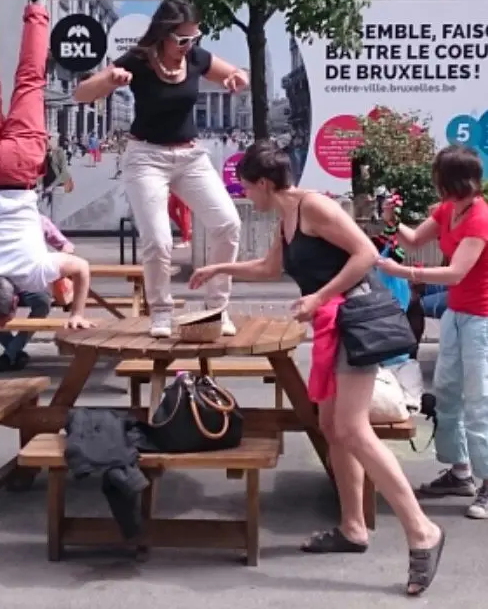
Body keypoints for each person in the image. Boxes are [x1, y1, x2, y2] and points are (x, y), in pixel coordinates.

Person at [189, 141, 444, 597]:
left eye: (246, 187)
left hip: (356, 318)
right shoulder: (286, 218)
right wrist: (218, 268)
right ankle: (352, 527)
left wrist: (320, 296)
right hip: (332, 324)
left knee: (352, 429)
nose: (245, 195)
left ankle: (423, 530)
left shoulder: (314, 207)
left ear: (264, 183)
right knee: (330, 425)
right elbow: (270, 268)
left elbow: (364, 253)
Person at [74, 0, 245, 338]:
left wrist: (237, 78)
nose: (188, 45)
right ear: (164, 35)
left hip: (190, 157)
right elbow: (81, 94)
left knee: (228, 224)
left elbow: (237, 73)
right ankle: (161, 312)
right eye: (182, 39)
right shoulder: (139, 59)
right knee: (158, 241)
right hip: (146, 158)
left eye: (194, 38)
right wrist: (109, 79)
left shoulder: (196, 57)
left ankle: (217, 307)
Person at [377, 144, 488, 519]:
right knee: (447, 392)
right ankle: (460, 472)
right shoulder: (448, 210)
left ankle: (487, 482)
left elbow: (456, 272)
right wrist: (392, 220)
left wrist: (404, 272)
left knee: (479, 399)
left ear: (450, 181)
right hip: (457, 314)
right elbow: (411, 240)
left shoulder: (480, 219)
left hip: (482, 318)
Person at [0, 0, 92, 330]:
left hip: (20, 169)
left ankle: (37, 2)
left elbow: (81, 268)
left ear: (15, 300)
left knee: (30, 78)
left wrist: (77, 313)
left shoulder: (34, 274)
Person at [0, 214, 75, 371]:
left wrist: (54, 262)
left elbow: (65, 245)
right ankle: (14, 352)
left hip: (28, 283)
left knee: (42, 302)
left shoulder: (35, 219)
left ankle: (11, 352)